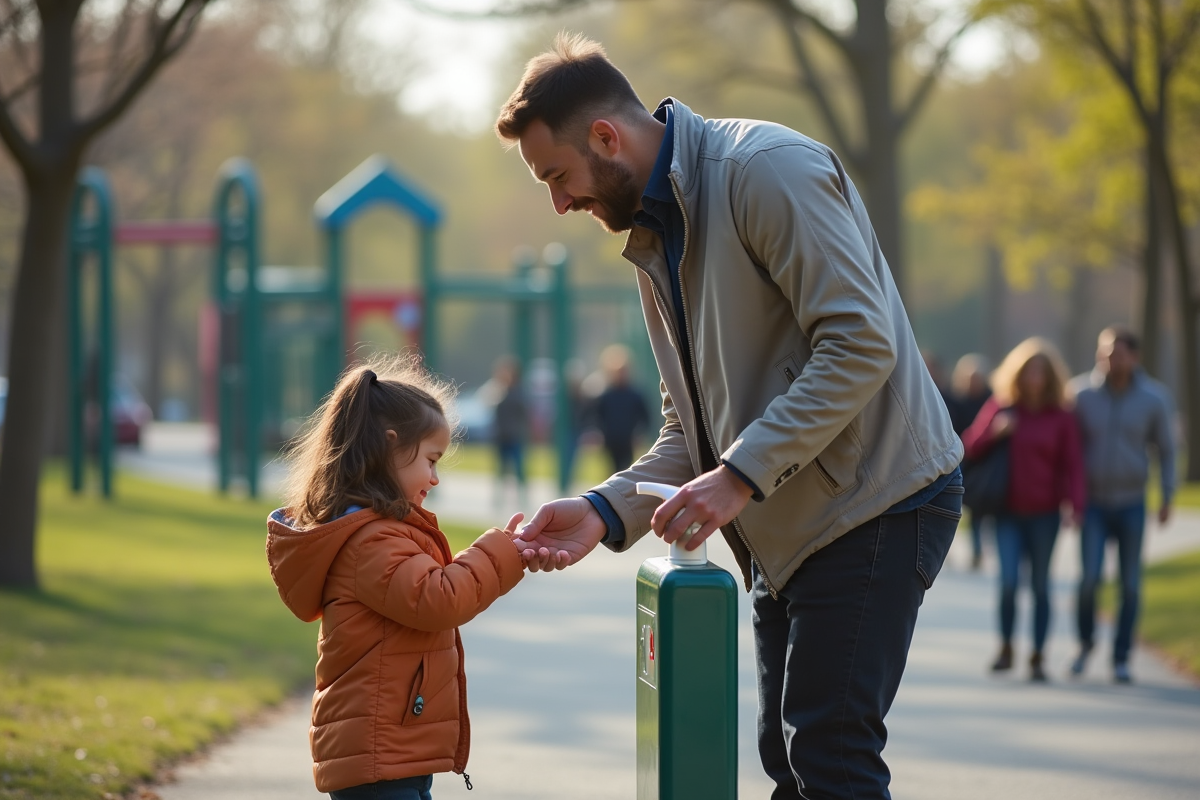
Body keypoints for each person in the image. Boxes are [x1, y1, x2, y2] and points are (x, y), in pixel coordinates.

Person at [498, 34, 964, 799]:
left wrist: (740, 476)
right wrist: (600, 511)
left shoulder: (762, 171)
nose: (560, 203)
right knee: (793, 763)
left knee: (830, 757)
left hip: (876, 501)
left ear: (606, 138)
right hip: (788, 525)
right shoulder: (655, 236)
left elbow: (862, 342)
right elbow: (692, 431)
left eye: (558, 175)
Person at [265, 356, 526, 799]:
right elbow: (439, 597)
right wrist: (503, 552)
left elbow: (426, 584)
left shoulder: (377, 532)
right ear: (390, 448)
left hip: (388, 748)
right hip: (377, 755)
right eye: (431, 460)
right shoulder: (370, 541)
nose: (435, 478)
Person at [962, 338, 1085, 682]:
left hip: (1046, 513)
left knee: (1041, 586)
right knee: (1008, 582)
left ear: (1050, 377)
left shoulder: (1062, 415)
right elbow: (968, 445)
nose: (1034, 378)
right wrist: (996, 433)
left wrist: (1076, 504)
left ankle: (1038, 655)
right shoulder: (1001, 406)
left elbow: (1073, 463)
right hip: (1007, 513)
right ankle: (1005, 647)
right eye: (1028, 371)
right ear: (1017, 373)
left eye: (1041, 372)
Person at [1070, 325, 1175, 684]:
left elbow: (1166, 450)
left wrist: (1167, 495)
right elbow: (1069, 451)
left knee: (1130, 584)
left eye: (1116, 352)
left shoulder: (1154, 398)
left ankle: (1121, 657)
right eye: (1103, 351)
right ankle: (1085, 644)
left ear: (1134, 357)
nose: (1108, 359)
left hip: (1131, 502)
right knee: (1089, 580)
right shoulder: (1080, 394)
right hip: (1094, 503)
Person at [951, 354, 993, 570]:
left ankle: (978, 550)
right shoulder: (956, 401)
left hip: (985, 463)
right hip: (962, 461)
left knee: (979, 510)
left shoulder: (991, 400)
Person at [592, 344, 650, 471]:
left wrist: (639, 434)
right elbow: (597, 416)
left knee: (626, 467)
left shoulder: (635, 394)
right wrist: (598, 433)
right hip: (611, 438)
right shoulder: (606, 395)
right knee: (612, 468)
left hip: (627, 438)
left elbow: (644, 417)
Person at [483, 356, 529, 501]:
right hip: (500, 435)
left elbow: (524, 412)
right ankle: (499, 495)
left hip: (514, 435)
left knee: (518, 466)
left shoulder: (518, 391)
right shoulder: (497, 389)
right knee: (500, 467)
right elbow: (487, 403)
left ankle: (522, 495)